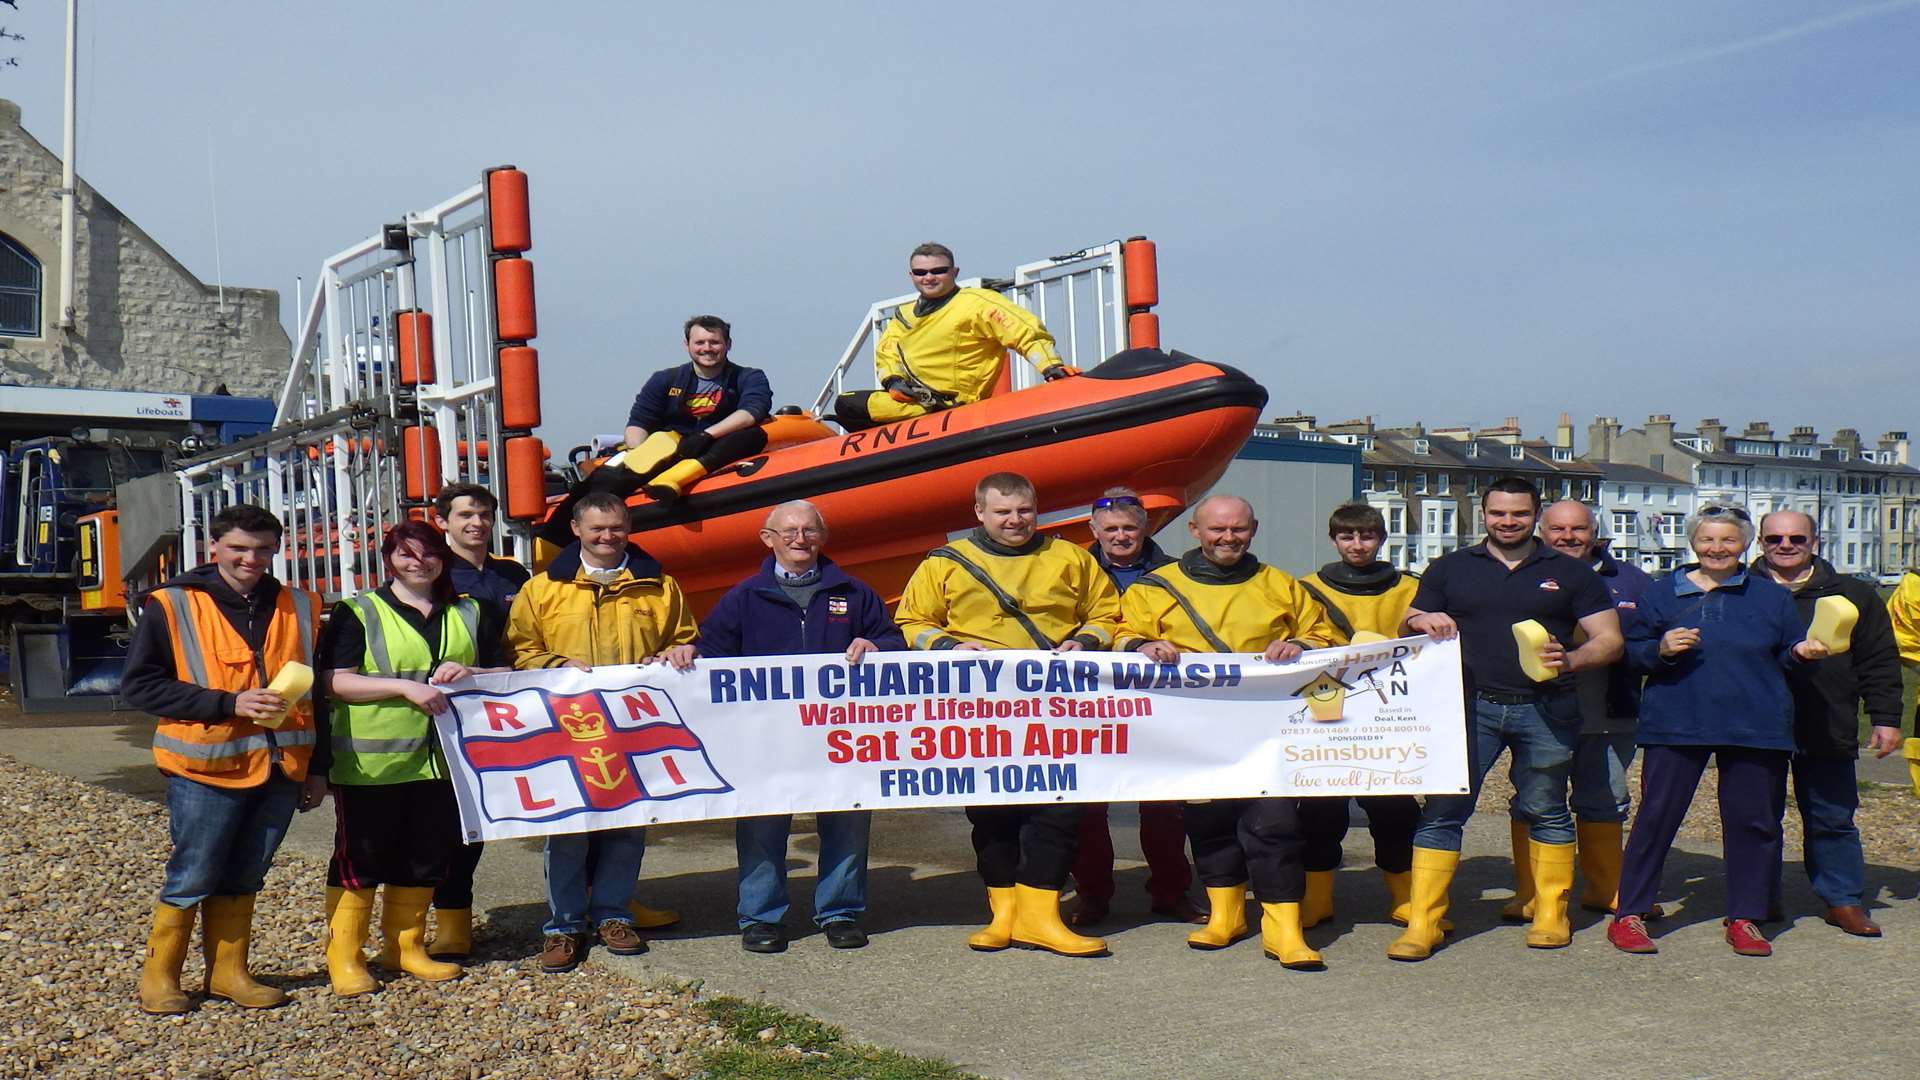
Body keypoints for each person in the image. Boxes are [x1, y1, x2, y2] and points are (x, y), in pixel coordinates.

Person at [1391, 477, 1623, 961]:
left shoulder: (1571, 572)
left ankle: (1550, 913)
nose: (1508, 521)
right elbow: (1406, 622)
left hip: (1546, 706)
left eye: (1519, 513)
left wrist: (1573, 660)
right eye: (1499, 513)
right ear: (1483, 514)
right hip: (1468, 708)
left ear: (1535, 514)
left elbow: (1609, 640)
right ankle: (1424, 922)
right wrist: (1419, 621)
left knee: (1546, 808)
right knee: (1443, 810)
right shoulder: (1451, 568)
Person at [895, 471, 1122, 957]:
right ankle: (1004, 915)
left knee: (1059, 810)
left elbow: (1108, 614)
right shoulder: (945, 564)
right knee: (992, 815)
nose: (1015, 520)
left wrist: (1084, 641)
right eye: (1003, 512)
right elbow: (912, 622)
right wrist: (951, 646)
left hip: (1057, 707)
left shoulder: (1071, 558)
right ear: (979, 513)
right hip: (979, 711)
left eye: (1024, 510)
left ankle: (1042, 917)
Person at [1119, 495, 1342, 969]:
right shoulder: (1154, 588)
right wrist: (1144, 643)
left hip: (1269, 732)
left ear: (1254, 529)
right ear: (1194, 531)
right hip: (1193, 730)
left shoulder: (1280, 585)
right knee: (1209, 823)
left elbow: (1324, 638)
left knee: (1276, 825)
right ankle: (1226, 915)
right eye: (1217, 530)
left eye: (1238, 530)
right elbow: (1121, 634)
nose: (1228, 538)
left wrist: (1297, 643)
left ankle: (1284, 928)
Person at [122, 504, 324, 1014]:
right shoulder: (172, 604)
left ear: (276, 549)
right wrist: (229, 703)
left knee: (246, 875)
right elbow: (141, 686)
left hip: (282, 767)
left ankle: (228, 974)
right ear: (214, 547)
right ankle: (160, 977)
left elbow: (316, 695)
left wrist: (319, 768)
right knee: (193, 873)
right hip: (205, 768)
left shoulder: (300, 604)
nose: (250, 558)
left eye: (261, 549)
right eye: (238, 548)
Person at [1609, 505, 1829, 957]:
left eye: (1728, 540)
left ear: (1744, 544)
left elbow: (1787, 654)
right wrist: (1661, 649)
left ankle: (1746, 916)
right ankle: (1630, 912)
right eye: (1708, 540)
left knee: (1753, 822)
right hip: (1677, 720)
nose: (1717, 549)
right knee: (1656, 817)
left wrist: (1803, 652)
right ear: (1693, 543)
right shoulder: (1662, 592)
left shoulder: (1771, 597)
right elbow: (1631, 654)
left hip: (1755, 721)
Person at [699, 500, 905, 953]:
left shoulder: (855, 593)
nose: (800, 539)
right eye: (788, 531)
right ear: (766, 538)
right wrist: (682, 656)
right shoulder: (743, 597)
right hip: (765, 741)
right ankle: (761, 917)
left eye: (810, 531)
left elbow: (895, 640)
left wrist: (876, 644)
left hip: (841, 737)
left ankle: (841, 912)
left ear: (822, 538)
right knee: (762, 827)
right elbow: (709, 654)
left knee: (847, 822)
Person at [316, 521, 511, 996]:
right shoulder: (358, 611)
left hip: (447, 762)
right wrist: (403, 686)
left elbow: (507, 671)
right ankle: (344, 956)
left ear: (442, 557)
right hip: (373, 765)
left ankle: (404, 948)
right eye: (405, 554)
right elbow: (332, 681)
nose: (417, 562)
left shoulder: (471, 611)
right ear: (389, 560)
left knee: (427, 858)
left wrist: (472, 671)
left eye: (427, 553)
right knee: (360, 859)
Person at [507, 491, 699, 973]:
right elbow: (521, 651)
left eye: (615, 528)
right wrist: (556, 663)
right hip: (568, 728)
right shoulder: (542, 590)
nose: (607, 537)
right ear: (576, 530)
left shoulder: (661, 586)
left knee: (627, 827)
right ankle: (565, 927)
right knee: (568, 829)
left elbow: (684, 638)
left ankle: (614, 914)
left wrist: (678, 653)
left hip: (634, 726)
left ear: (628, 527)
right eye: (596, 529)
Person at [1497, 500, 1656, 923]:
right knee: (1535, 798)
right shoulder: (1519, 575)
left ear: (1595, 532)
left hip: (1608, 710)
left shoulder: (1634, 582)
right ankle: (1530, 893)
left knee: (1606, 798)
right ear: (1541, 531)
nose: (1569, 537)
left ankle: (1607, 890)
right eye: (1558, 529)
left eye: (1579, 529)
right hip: (1539, 710)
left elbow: (1649, 643)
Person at [1752, 510, 1904, 936]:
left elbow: (1878, 659)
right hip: (1756, 721)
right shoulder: (1743, 591)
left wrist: (1886, 718)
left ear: (1814, 541)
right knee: (1758, 816)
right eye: (1775, 538)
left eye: (1796, 538)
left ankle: (1842, 899)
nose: (1785, 546)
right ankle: (1758, 898)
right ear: (1760, 542)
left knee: (1832, 816)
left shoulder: (1852, 594)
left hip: (1827, 717)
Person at [1068, 487, 1199, 927]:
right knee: (1088, 804)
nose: (1121, 536)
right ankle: (1093, 897)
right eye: (1111, 529)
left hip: (1158, 702)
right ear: (1093, 530)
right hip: (1089, 702)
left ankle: (1170, 893)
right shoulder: (1072, 570)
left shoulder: (1177, 573)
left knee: (1164, 804)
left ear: (1146, 528)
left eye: (1129, 528)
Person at [1294, 501, 1423, 930]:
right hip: (1326, 705)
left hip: (1390, 708)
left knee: (1395, 809)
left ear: (1381, 539)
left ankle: (1404, 897)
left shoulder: (1410, 587)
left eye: (1366, 536)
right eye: (1347, 536)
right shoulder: (1306, 587)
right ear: (1333, 539)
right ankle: (1317, 897)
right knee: (1320, 811)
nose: (1357, 544)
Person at [831, 243, 1075, 432]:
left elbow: (1025, 331)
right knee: (847, 403)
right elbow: (886, 353)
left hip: (953, 404)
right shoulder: (904, 315)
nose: (929, 277)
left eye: (938, 271)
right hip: (914, 402)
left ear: (954, 272)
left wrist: (1051, 368)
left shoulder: (976, 304)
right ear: (911, 275)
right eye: (921, 272)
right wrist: (893, 382)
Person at [598, 315, 774, 502]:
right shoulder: (664, 379)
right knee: (610, 477)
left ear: (728, 344)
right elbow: (639, 422)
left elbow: (752, 411)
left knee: (751, 436)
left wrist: (706, 436)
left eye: (714, 342)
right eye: (700, 342)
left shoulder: (749, 377)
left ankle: (674, 478)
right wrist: (639, 453)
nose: (707, 348)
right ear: (687, 344)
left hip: (717, 447)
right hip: (668, 450)